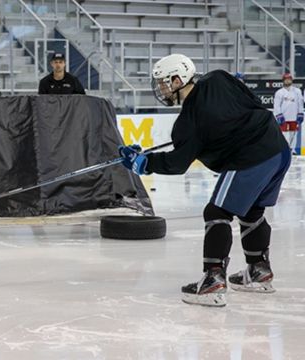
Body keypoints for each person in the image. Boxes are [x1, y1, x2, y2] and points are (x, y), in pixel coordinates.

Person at [119, 54, 291, 307]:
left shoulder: (188, 122)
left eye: (164, 83)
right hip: (278, 150)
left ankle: (213, 280)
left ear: (179, 79)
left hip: (251, 156)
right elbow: (251, 104)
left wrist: (142, 163)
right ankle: (258, 271)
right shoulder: (219, 78)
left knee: (217, 211)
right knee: (252, 211)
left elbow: (177, 163)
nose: (161, 89)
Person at [273, 72, 303, 154]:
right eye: (286, 80)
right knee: (284, 134)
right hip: (284, 117)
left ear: (292, 80)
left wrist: (300, 114)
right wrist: (279, 115)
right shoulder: (279, 92)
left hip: (294, 116)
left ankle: (292, 149)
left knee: (293, 133)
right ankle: (285, 149)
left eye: (289, 79)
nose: (287, 81)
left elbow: (300, 103)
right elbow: (276, 105)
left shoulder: (297, 91)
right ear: (283, 81)